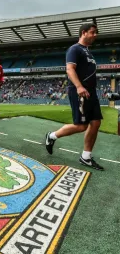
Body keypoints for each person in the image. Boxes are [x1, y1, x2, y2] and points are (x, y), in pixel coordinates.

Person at [45, 23, 104, 171]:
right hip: (79, 91)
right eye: (93, 32)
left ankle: (86, 157)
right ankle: (51, 136)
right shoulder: (74, 49)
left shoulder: (88, 52)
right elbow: (70, 69)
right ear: (84, 33)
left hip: (91, 92)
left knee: (96, 123)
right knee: (81, 126)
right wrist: (79, 86)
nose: (95, 35)